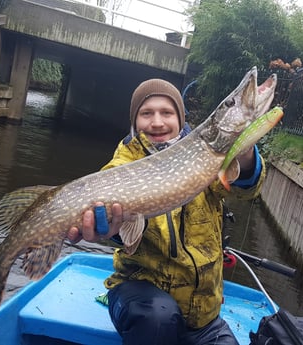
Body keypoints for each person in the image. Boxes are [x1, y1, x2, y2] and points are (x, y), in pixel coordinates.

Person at [67, 78, 266, 345]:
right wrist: (109, 231)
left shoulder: (206, 154)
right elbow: (117, 231)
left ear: (181, 119)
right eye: (146, 113)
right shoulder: (121, 164)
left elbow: (246, 189)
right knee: (158, 318)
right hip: (139, 298)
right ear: (134, 121)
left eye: (167, 113)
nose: (157, 122)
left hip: (203, 314)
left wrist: (243, 154)